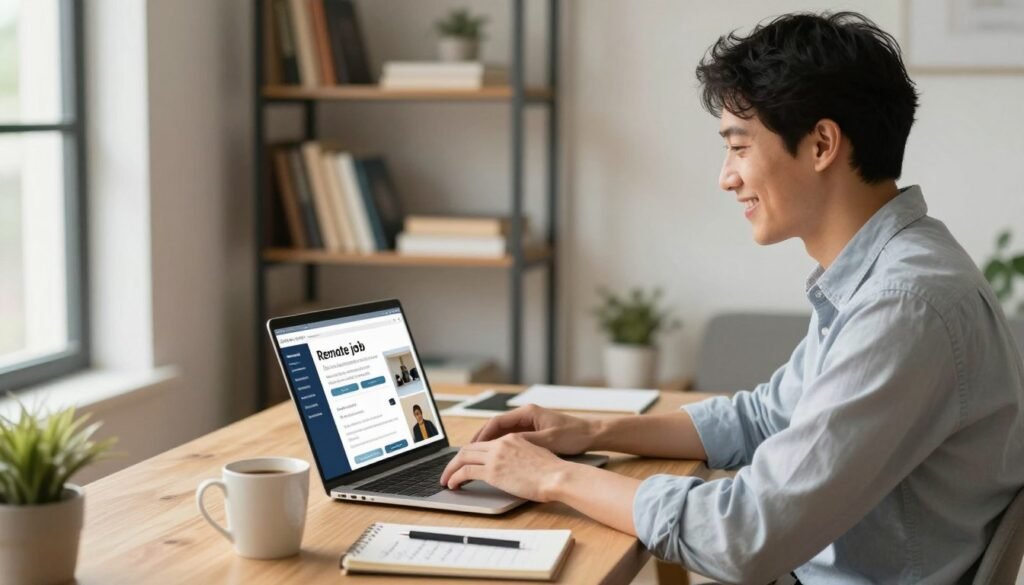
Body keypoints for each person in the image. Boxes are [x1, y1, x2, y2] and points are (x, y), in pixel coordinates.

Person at [440, 11, 1024, 583]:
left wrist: (552, 479)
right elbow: (765, 416)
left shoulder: (903, 304)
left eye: (739, 147)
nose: (726, 176)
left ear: (821, 143)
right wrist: (591, 433)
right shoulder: (889, 270)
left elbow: (744, 536)